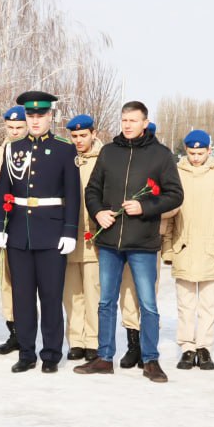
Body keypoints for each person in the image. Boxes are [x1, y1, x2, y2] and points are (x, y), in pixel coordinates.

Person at [75, 100, 183, 382]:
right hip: (110, 241)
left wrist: (145, 207)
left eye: (133, 120)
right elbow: (92, 189)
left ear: (145, 122)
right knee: (106, 302)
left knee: (147, 304)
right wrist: (98, 212)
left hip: (143, 242)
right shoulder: (109, 152)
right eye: (124, 120)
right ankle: (104, 357)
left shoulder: (160, 155)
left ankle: (151, 360)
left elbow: (175, 194)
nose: (127, 125)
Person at [0, 90, 80, 373]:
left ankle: (51, 354)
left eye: (41, 115)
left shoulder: (65, 149)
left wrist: (70, 231)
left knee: (51, 297)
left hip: (52, 234)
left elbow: (73, 194)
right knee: (23, 298)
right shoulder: (14, 148)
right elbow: (3, 190)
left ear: (50, 116)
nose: (35, 120)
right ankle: (27, 353)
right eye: (31, 115)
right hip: (19, 234)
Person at [163, 129, 214, 370]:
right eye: (191, 153)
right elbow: (170, 214)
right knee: (185, 303)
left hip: (210, 248)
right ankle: (186, 347)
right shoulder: (176, 173)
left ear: (209, 151)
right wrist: (167, 248)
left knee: (208, 303)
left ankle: (204, 347)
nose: (195, 157)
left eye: (200, 153)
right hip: (183, 245)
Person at [117, 120, 165, 368]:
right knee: (127, 294)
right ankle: (132, 344)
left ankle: (148, 349)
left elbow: (173, 202)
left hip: (148, 239)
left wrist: (147, 209)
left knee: (147, 297)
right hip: (124, 238)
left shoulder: (160, 161)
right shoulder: (128, 161)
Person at [63, 114, 102, 361]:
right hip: (68, 236)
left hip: (93, 236)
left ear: (93, 133)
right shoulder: (66, 158)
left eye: (83, 135)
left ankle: (93, 341)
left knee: (93, 292)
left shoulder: (104, 159)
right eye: (75, 136)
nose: (78, 140)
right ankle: (76, 340)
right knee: (72, 294)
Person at [0, 105, 29, 355]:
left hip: (29, 226)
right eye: (11, 128)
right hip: (3, 227)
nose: (15, 132)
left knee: (28, 284)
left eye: (19, 128)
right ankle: (13, 331)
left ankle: (28, 331)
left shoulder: (36, 151)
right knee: (7, 282)